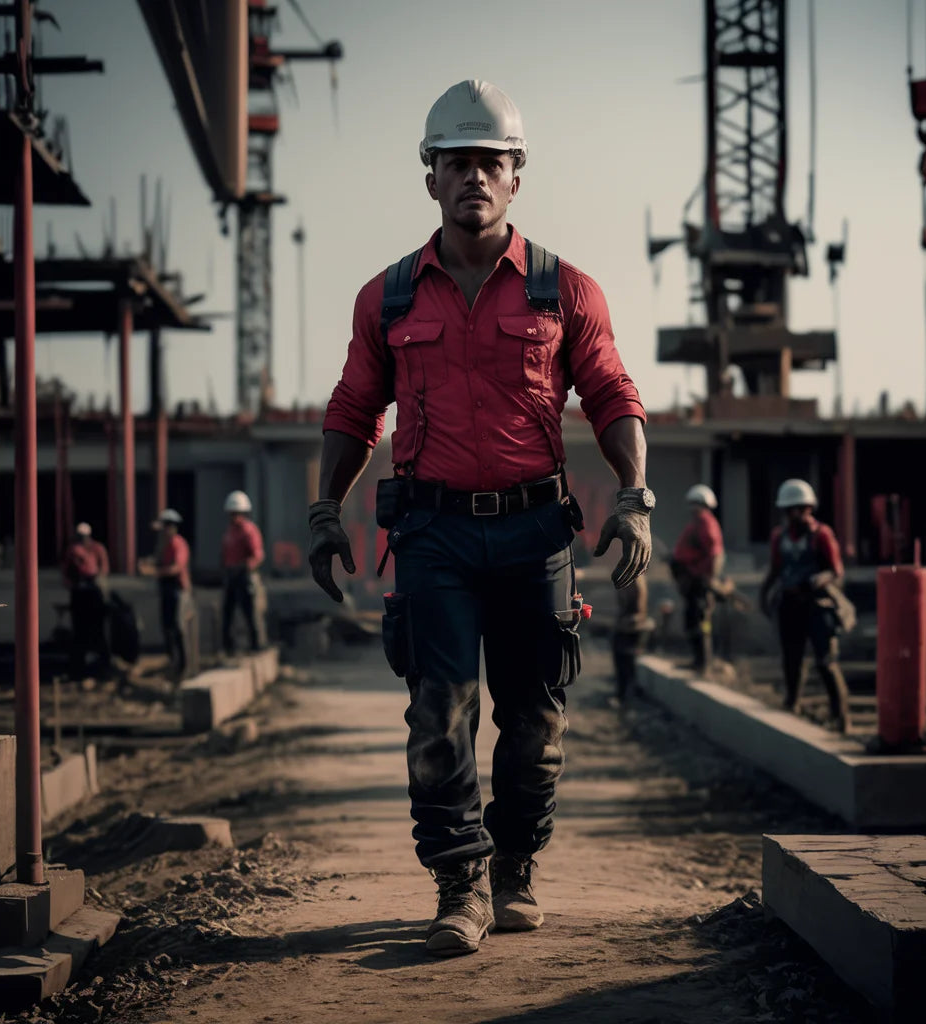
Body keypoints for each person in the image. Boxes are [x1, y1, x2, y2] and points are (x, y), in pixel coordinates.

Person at [308, 79, 654, 958]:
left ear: (515, 178)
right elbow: (355, 409)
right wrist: (324, 509)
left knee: (535, 715)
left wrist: (637, 494)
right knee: (439, 711)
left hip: (538, 535)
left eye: (489, 163)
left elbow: (613, 393)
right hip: (433, 537)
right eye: (455, 162)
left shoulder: (564, 292)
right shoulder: (387, 299)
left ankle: (514, 870)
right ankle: (459, 881)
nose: (473, 177)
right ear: (430, 178)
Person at [759, 479, 851, 733]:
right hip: (790, 605)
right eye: (789, 510)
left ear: (808, 508)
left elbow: (836, 570)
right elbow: (775, 569)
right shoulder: (780, 536)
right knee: (792, 658)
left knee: (825, 661)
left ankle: (840, 716)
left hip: (816, 604)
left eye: (799, 509)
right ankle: (792, 703)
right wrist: (765, 594)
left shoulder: (822, 535)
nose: (794, 515)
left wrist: (821, 579)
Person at [670, 484, 725, 676]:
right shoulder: (697, 523)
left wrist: (708, 578)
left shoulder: (705, 523)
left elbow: (715, 554)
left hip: (700, 582)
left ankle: (704, 663)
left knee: (702, 622)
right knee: (693, 620)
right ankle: (698, 661)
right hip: (692, 580)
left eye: (696, 504)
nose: (693, 508)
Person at [138, 508, 194, 680]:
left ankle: (184, 665)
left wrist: (154, 571)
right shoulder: (163, 544)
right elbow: (160, 560)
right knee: (167, 626)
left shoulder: (178, 544)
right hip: (166, 589)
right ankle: (172, 661)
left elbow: (175, 567)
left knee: (178, 627)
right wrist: (149, 563)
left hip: (178, 590)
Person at [220, 490, 267, 655]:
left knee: (250, 612)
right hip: (231, 576)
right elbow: (225, 555)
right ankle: (229, 647)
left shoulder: (249, 531)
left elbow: (258, 555)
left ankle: (256, 644)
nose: (234, 517)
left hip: (245, 576)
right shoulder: (229, 532)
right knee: (228, 612)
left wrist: (245, 567)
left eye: (237, 513)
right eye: (232, 514)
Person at [61, 522, 110, 678]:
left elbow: (103, 568)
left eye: (85, 537)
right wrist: (71, 584)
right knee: (79, 631)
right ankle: (79, 669)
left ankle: (102, 667)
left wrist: (99, 581)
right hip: (79, 592)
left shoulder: (97, 548)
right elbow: (66, 570)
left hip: (94, 592)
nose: (82, 540)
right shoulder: (72, 550)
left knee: (98, 629)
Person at [612, 575, 651, 701]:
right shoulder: (628, 581)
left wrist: (625, 622)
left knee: (627, 663)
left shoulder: (637, 581)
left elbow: (639, 613)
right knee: (622, 662)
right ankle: (623, 694)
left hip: (633, 629)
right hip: (627, 628)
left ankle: (626, 695)